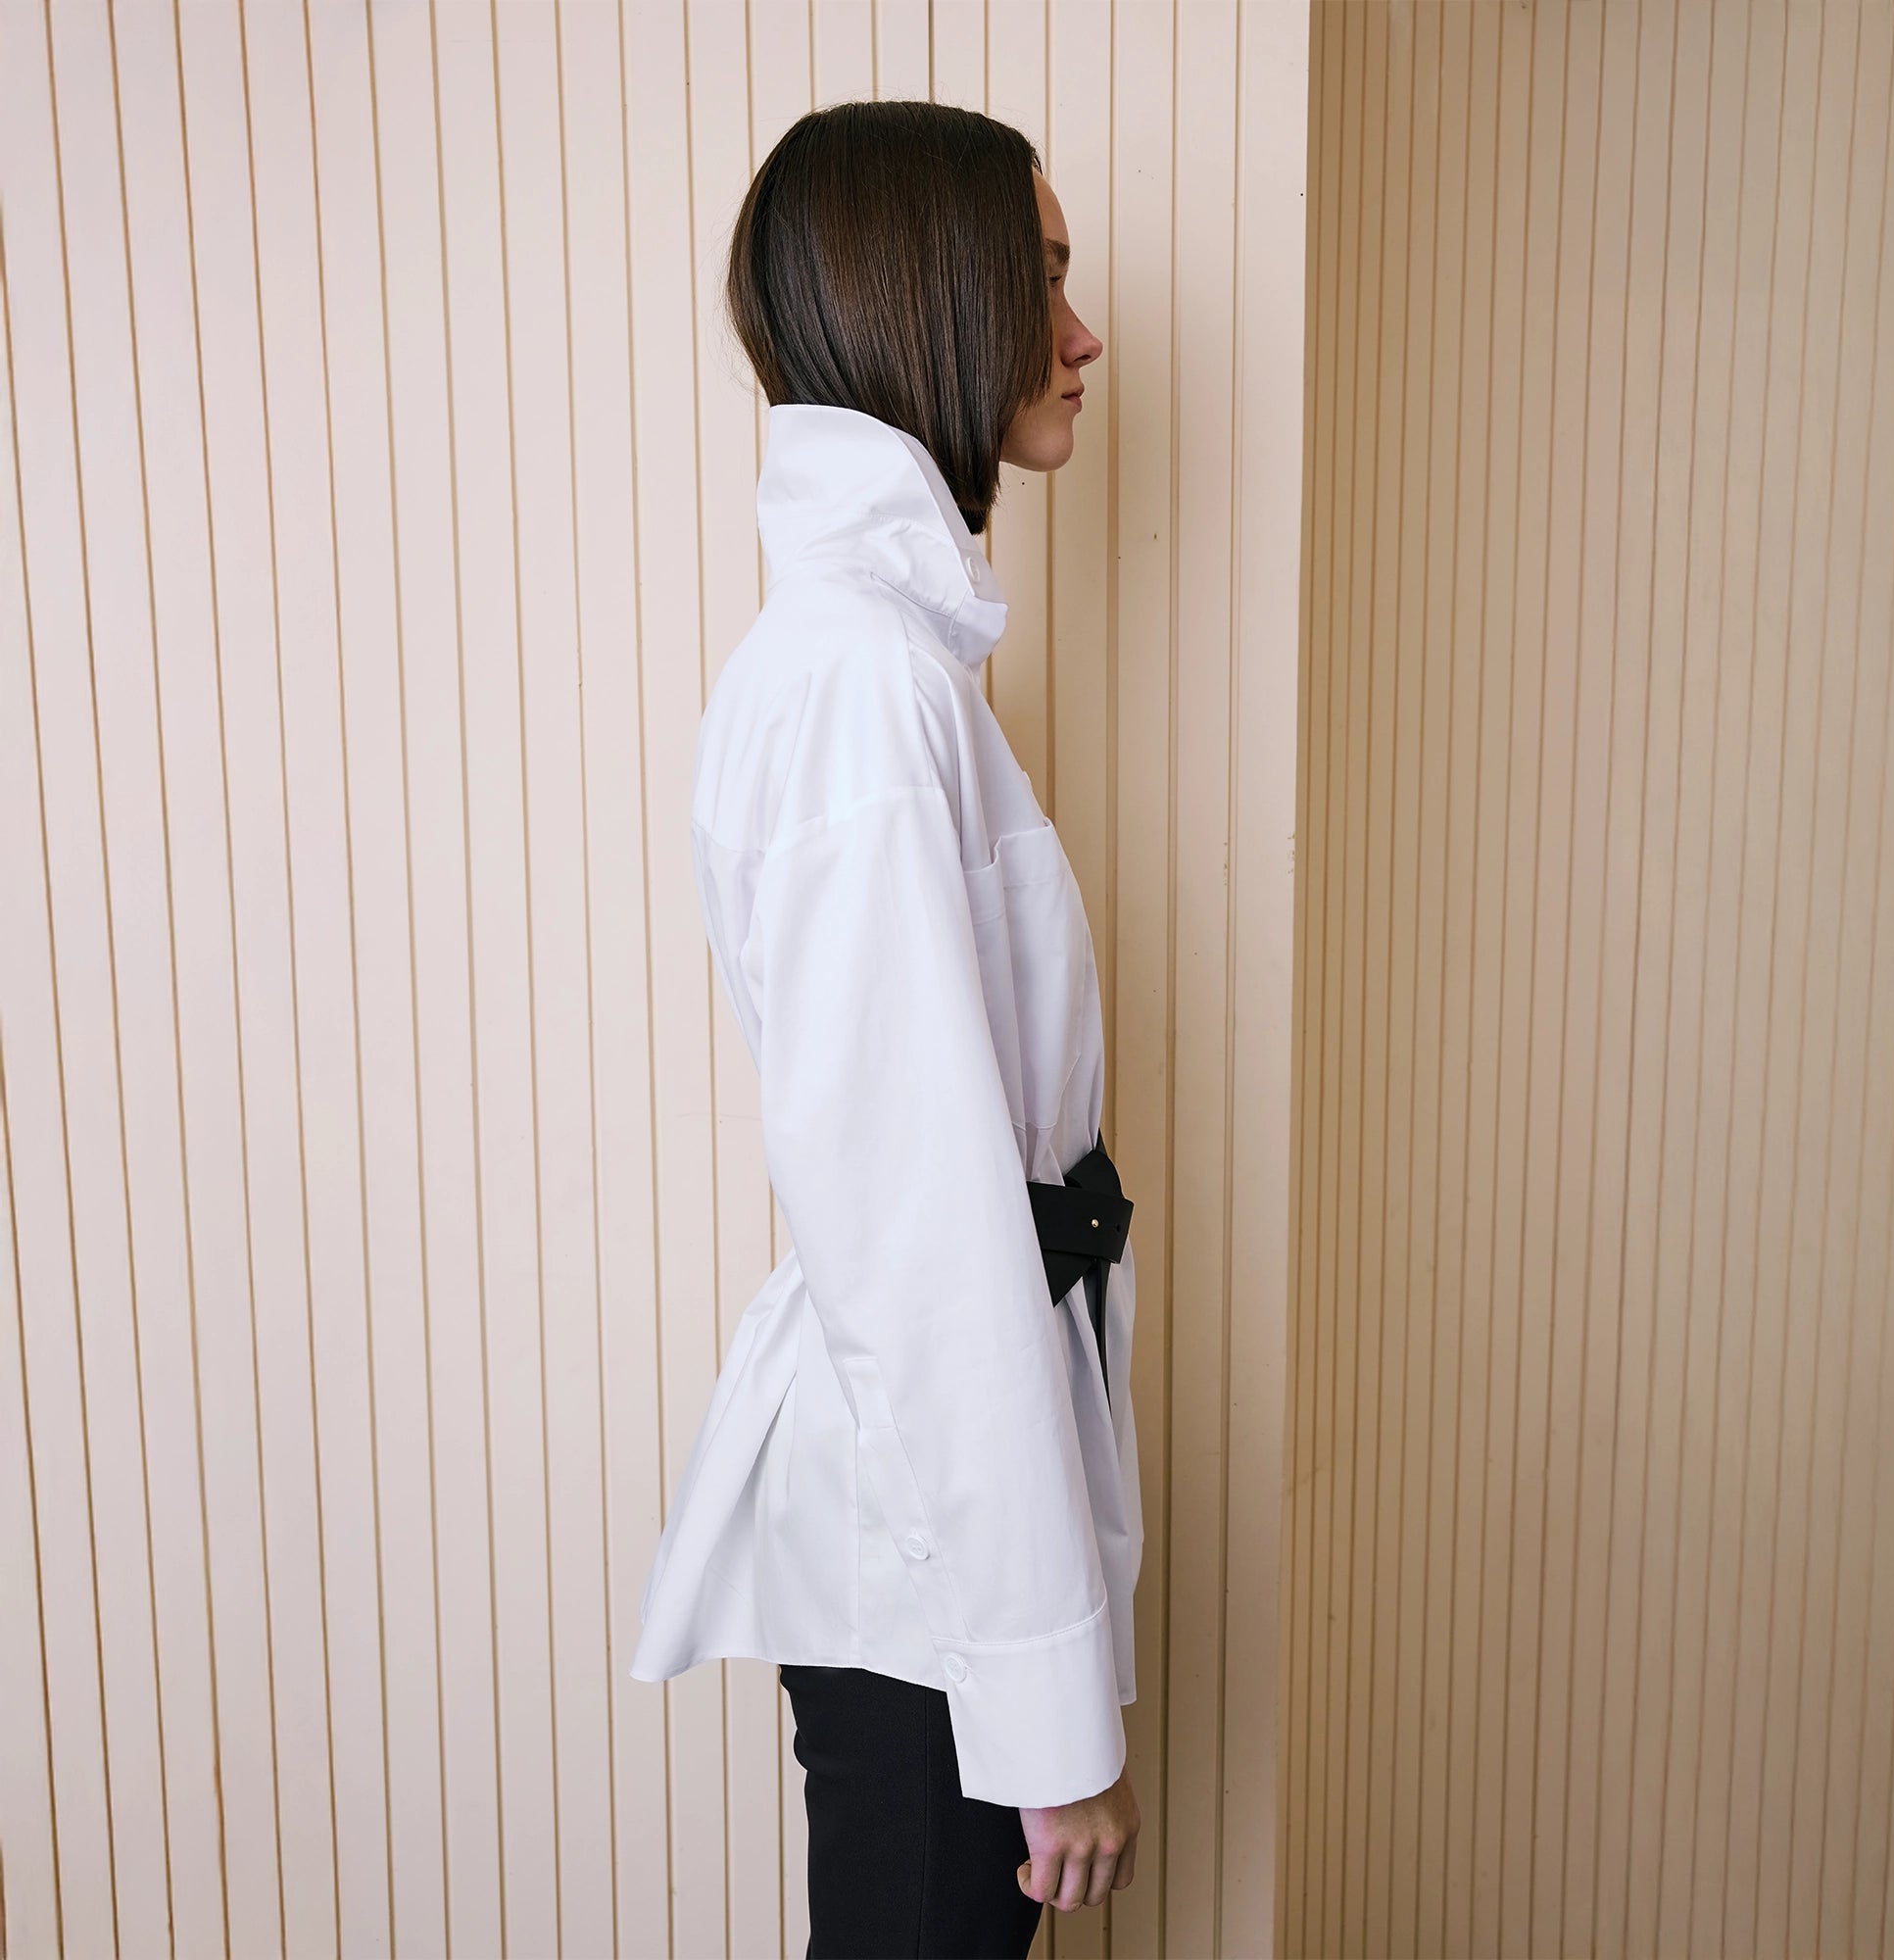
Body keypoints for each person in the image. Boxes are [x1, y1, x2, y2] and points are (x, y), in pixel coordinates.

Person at [629, 98, 1144, 1960]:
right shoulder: (856, 683)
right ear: (936, 293)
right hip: (925, 1584)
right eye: (1045, 277)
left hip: (941, 1567)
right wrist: (1051, 1726)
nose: (1083, 336)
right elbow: (924, 1241)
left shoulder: (888, 662)